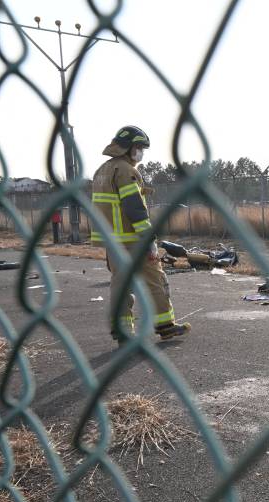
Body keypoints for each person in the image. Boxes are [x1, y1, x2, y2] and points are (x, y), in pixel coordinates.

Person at [91, 125, 190, 343]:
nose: (141, 153)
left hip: (112, 241)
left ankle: (122, 332)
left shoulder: (101, 171)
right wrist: (149, 240)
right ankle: (165, 326)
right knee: (155, 280)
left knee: (120, 285)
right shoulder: (126, 170)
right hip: (132, 239)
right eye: (139, 148)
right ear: (129, 148)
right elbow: (134, 207)